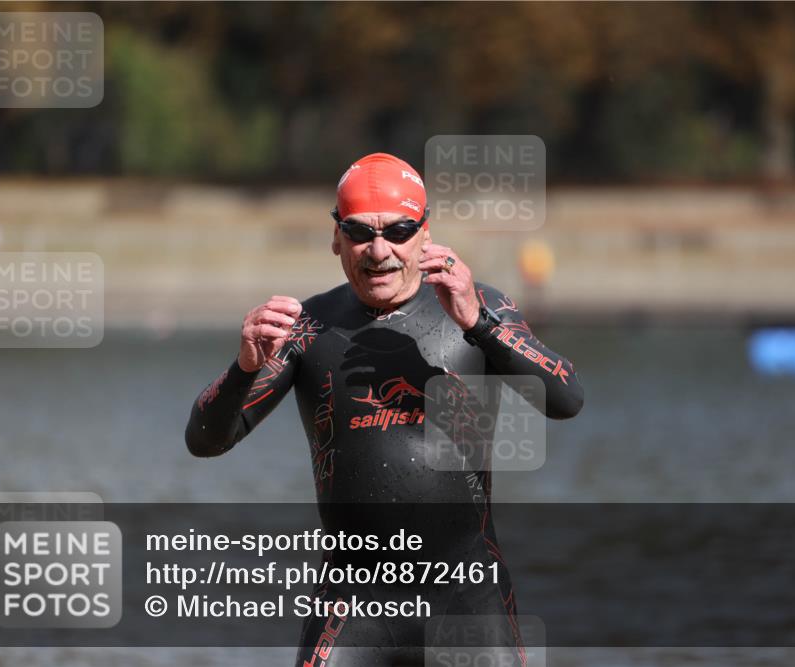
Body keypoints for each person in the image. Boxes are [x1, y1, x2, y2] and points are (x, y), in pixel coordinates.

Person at [185, 153, 583, 666]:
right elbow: (206, 440)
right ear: (336, 238)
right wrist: (244, 367)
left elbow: (567, 398)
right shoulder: (307, 327)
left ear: (424, 234)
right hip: (354, 609)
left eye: (398, 231)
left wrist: (479, 323)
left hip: (466, 602)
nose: (379, 252)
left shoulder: (478, 306)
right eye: (358, 233)